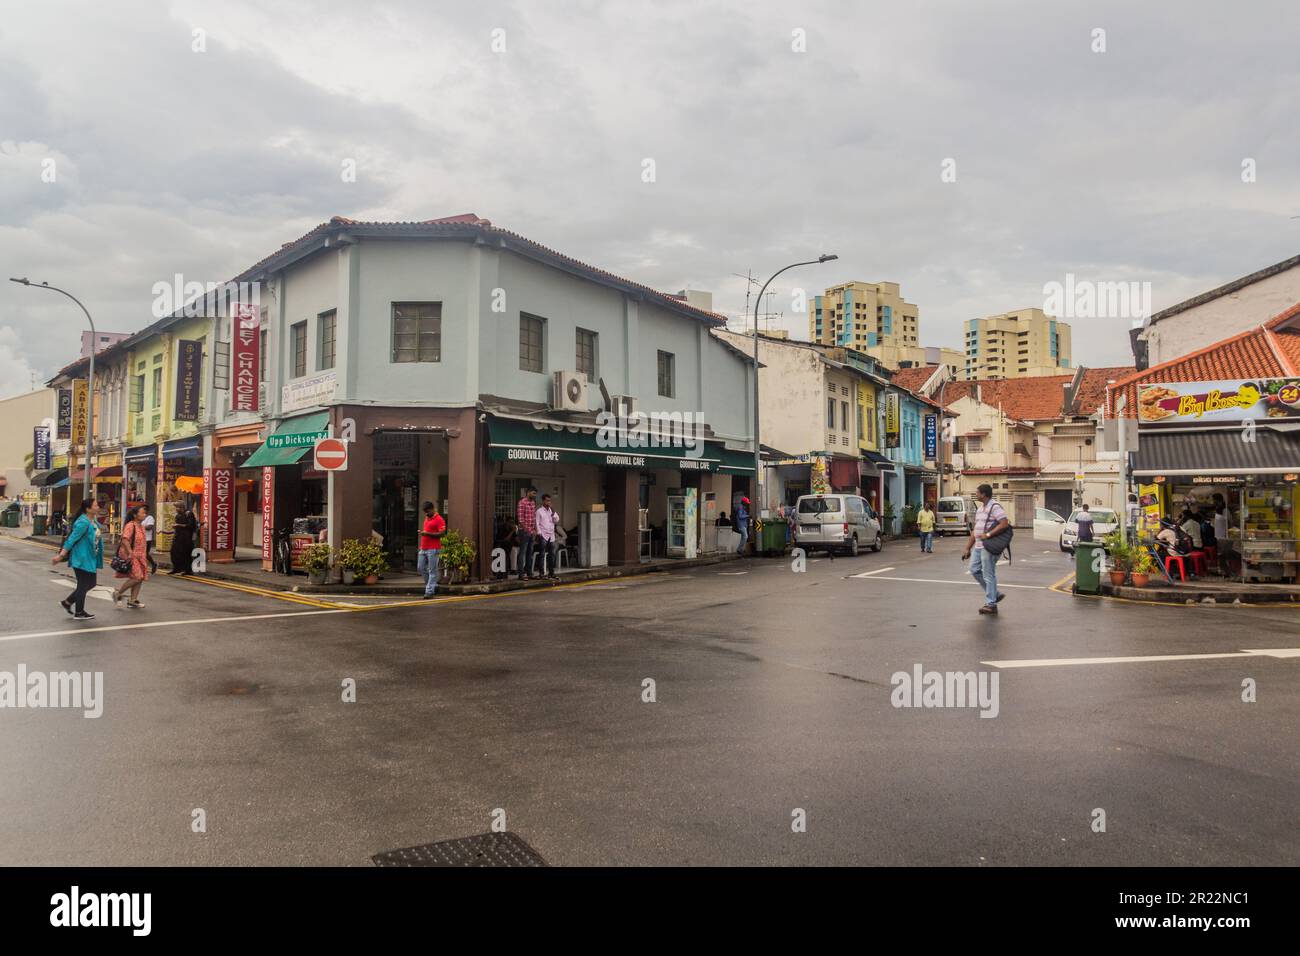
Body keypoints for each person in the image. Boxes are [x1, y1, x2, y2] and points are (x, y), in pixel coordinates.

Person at [961, 484, 1009, 615]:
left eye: (977, 493)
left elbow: (1005, 523)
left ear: (983, 494)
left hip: (988, 546)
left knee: (989, 575)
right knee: (974, 570)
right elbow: (975, 529)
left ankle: (991, 604)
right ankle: (995, 594)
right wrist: (967, 548)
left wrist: (988, 534)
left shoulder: (995, 507)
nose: (975, 495)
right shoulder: (980, 509)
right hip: (978, 546)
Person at [52, 497, 103, 620]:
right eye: (95, 505)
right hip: (81, 557)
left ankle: (68, 602)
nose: (98, 507)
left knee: (91, 583)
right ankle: (79, 612)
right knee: (83, 584)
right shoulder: (83, 522)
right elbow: (72, 539)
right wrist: (61, 555)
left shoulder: (92, 521)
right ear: (88, 509)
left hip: (90, 557)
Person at [112, 505, 150, 609]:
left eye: (145, 513)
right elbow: (125, 539)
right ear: (135, 515)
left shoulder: (141, 526)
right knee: (137, 577)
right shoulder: (130, 525)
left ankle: (133, 600)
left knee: (140, 577)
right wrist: (130, 552)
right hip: (132, 555)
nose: (144, 514)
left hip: (140, 555)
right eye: (142, 512)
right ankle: (118, 593)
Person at [417, 500, 446, 599]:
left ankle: (429, 592)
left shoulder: (439, 519)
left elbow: (442, 534)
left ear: (432, 509)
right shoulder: (427, 518)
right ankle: (432, 585)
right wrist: (423, 533)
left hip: (433, 549)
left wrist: (427, 534)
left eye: (427, 511)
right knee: (420, 568)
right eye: (424, 512)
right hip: (423, 548)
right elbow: (427, 531)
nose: (426, 513)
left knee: (432, 570)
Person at [535, 493, 562, 581]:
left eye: (549, 500)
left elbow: (557, 520)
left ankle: (551, 573)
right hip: (543, 535)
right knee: (542, 554)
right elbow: (537, 523)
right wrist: (539, 533)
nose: (548, 502)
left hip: (551, 535)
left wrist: (553, 511)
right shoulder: (539, 511)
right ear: (543, 501)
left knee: (552, 555)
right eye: (547, 500)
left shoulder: (551, 511)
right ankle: (542, 573)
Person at [516, 486, 538, 579]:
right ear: (528, 492)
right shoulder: (522, 502)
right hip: (524, 531)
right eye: (533, 493)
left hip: (531, 531)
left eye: (535, 493)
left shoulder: (533, 503)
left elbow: (533, 517)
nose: (534, 495)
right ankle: (521, 574)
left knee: (530, 553)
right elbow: (520, 519)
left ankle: (529, 572)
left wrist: (535, 530)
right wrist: (527, 530)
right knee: (523, 552)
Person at [169, 506, 197, 574]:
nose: (176, 509)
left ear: (182, 508)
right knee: (174, 553)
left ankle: (187, 570)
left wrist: (179, 525)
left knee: (185, 554)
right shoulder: (177, 515)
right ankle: (176, 568)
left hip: (186, 538)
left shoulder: (189, 514)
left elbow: (191, 525)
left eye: (177, 507)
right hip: (177, 537)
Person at [139, 505, 157, 575]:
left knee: (144, 554)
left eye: (142, 510)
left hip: (147, 539)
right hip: (140, 538)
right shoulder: (140, 518)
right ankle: (146, 566)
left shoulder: (150, 518)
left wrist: (140, 526)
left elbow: (150, 527)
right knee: (141, 554)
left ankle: (152, 564)